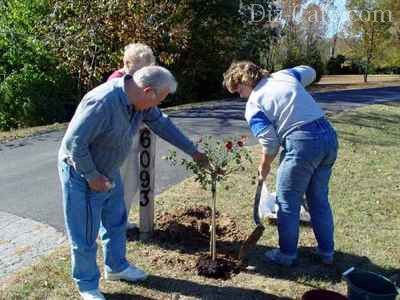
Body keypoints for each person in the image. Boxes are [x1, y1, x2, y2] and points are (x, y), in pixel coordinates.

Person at [58, 66, 208, 300]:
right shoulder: (102, 103)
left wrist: (193, 152)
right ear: (148, 91)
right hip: (81, 172)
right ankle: (87, 285)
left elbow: (162, 124)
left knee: (116, 220)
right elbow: (74, 145)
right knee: (84, 233)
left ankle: (116, 267)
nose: (158, 105)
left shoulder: (138, 102)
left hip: (109, 169)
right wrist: (92, 176)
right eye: (160, 98)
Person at [223, 61, 338, 267]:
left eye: (239, 89)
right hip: (328, 138)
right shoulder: (285, 76)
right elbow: (311, 71)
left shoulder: (254, 105)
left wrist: (264, 166)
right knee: (318, 198)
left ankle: (286, 255)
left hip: (302, 143)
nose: (240, 95)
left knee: (287, 202)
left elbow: (270, 143)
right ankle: (326, 253)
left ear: (245, 81)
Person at [107, 43, 156, 230]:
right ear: (127, 63)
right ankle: (113, 225)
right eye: (141, 69)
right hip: (116, 146)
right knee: (117, 187)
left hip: (131, 143)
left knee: (131, 183)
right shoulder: (115, 82)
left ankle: (122, 221)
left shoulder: (141, 82)